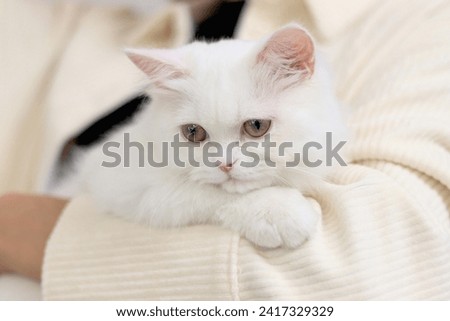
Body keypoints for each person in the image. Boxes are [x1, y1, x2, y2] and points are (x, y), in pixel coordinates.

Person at [1, 0, 450, 300]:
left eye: (255, 127)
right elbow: (110, 181)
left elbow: (372, 269)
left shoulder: (412, 20)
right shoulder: (93, 19)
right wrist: (233, 209)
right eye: (196, 136)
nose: (225, 160)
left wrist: (23, 230)